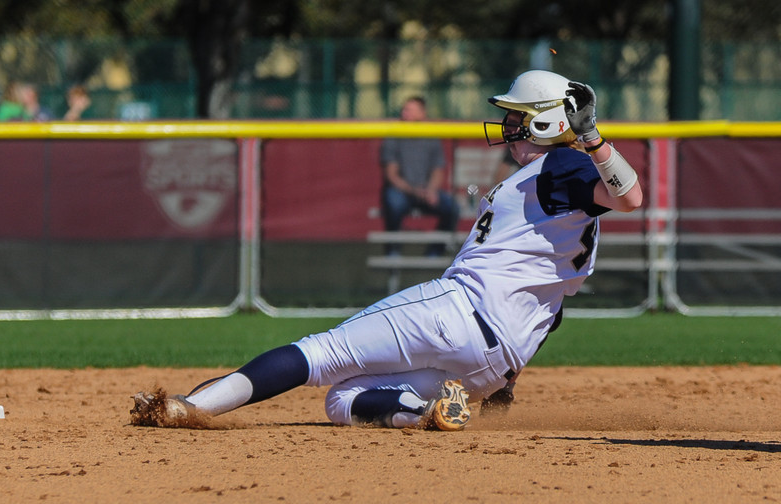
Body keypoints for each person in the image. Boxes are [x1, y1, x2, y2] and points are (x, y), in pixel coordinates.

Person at [130, 69, 642, 431]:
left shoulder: (561, 167)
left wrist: (592, 136)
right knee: (341, 401)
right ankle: (426, 413)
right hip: (493, 365)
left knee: (321, 354)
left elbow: (631, 197)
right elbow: (551, 313)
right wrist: (504, 387)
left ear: (548, 122)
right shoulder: (561, 199)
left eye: (518, 117)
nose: (508, 127)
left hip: (458, 314)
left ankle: (184, 407)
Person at [379, 96, 460, 256]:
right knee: (393, 202)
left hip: (425, 191)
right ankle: (393, 251)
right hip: (402, 191)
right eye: (404, 109)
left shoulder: (430, 135)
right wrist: (416, 191)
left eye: (409, 110)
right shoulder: (394, 135)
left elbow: (438, 170)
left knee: (452, 207)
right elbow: (391, 175)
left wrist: (430, 190)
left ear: (422, 113)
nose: (404, 113)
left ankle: (434, 252)